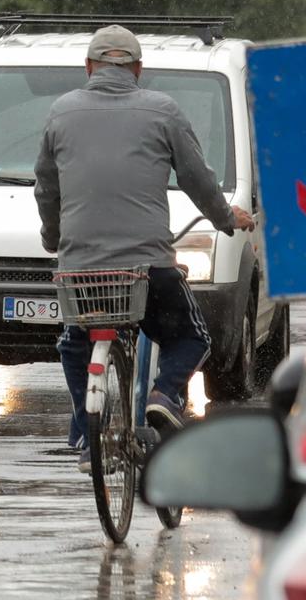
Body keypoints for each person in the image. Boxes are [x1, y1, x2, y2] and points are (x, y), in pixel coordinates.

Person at [33, 25, 255, 471]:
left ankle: (85, 429)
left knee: (75, 344)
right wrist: (226, 219)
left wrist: (55, 239)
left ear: (89, 67)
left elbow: (46, 189)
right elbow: (198, 180)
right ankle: (162, 395)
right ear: (138, 69)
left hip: (82, 269)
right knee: (191, 337)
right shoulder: (163, 111)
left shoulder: (61, 113)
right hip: (147, 266)